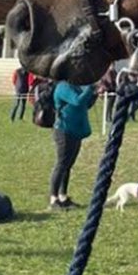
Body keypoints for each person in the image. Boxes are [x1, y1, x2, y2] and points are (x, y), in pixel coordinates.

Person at [49, 80, 97, 209]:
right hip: (64, 130)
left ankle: (63, 196)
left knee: (68, 165)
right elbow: (77, 101)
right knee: (61, 164)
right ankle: (53, 199)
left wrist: (94, 94)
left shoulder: (75, 86)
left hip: (75, 131)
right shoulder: (63, 87)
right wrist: (89, 88)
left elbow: (84, 104)